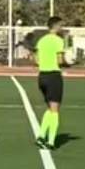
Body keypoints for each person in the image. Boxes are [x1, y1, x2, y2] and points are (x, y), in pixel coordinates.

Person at [34, 17, 67, 149]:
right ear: (56, 26)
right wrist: (67, 63)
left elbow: (36, 59)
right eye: (61, 26)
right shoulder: (58, 41)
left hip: (42, 76)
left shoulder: (41, 40)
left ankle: (41, 136)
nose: (62, 28)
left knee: (50, 108)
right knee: (55, 110)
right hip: (53, 76)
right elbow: (60, 60)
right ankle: (51, 141)